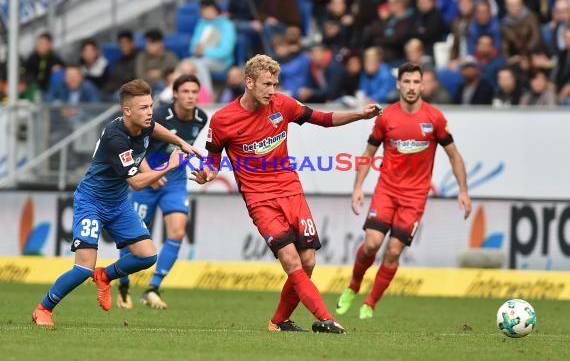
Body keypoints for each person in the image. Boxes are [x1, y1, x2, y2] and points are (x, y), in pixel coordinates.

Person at [191, 54, 379, 334]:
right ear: (249, 82)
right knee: (291, 260)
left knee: (308, 261)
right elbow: (213, 161)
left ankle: (278, 322)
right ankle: (326, 318)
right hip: (259, 199)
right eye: (267, 84)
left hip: (291, 191)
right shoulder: (223, 120)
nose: (272, 90)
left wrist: (360, 115)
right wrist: (208, 173)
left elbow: (324, 119)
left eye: (275, 84)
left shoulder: (284, 105)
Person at [31, 79, 201, 326]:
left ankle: (105, 276)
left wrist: (181, 142)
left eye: (151, 105)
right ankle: (43, 309)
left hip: (118, 204)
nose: (150, 112)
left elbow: (156, 128)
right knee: (82, 269)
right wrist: (168, 165)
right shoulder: (116, 137)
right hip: (92, 201)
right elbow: (137, 183)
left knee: (146, 256)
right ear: (127, 111)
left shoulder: (143, 123)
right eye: (143, 108)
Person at [335, 62, 472, 320]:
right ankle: (353, 286)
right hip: (386, 190)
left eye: (415, 82)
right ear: (398, 84)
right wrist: (357, 188)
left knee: (394, 251)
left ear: (423, 85)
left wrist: (463, 190)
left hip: (415, 197)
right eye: (406, 82)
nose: (411, 87)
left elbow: (454, 155)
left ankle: (370, 303)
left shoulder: (435, 119)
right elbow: (368, 154)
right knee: (372, 244)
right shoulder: (386, 117)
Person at [117, 74, 208, 309]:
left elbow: (180, 149)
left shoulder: (201, 118)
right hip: (148, 178)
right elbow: (136, 146)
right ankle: (123, 286)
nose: (190, 96)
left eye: (194, 92)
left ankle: (152, 288)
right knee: (133, 238)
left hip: (175, 181)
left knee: (177, 232)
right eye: (185, 91)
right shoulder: (158, 116)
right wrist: (149, 172)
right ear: (176, 93)